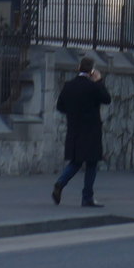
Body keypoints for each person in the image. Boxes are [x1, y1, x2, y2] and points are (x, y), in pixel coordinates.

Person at [52, 55, 111, 207]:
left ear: (78, 68)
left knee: (76, 161)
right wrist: (99, 81)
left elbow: (60, 106)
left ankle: (60, 183)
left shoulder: (68, 85)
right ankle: (87, 197)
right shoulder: (93, 87)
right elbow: (106, 98)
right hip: (91, 129)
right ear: (92, 71)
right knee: (91, 163)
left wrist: (73, 114)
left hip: (74, 128)